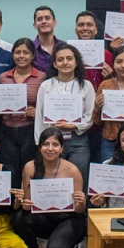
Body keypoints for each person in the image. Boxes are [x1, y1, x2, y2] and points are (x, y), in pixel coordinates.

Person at [15, 128, 88, 248]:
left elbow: (79, 211)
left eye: (55, 144)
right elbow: (27, 204)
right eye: (45, 144)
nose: (50, 149)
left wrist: (81, 202)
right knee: (18, 217)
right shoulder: (30, 167)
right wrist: (24, 203)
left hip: (67, 218)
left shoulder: (72, 170)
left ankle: (74, 243)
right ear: (39, 147)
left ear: (62, 149)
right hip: (43, 217)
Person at [34, 44, 96, 185]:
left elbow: (90, 115)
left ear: (76, 62)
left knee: (79, 179)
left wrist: (73, 125)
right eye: (60, 59)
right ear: (55, 64)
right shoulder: (46, 86)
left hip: (77, 141)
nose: (65, 62)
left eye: (69, 58)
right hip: (51, 141)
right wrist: (39, 143)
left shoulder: (86, 86)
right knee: (53, 180)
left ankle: (79, 207)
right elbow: (39, 116)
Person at [0, 38, 46, 188]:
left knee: (30, 169)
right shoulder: (3, 77)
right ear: (13, 55)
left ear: (33, 56)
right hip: (7, 131)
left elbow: (48, 105)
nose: (21, 56)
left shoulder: (42, 77)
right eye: (18, 52)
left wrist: (37, 112)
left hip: (29, 130)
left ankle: (28, 205)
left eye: (26, 52)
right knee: (10, 171)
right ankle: (12, 207)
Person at [75, 10, 113, 91]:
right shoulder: (68, 54)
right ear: (76, 30)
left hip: (100, 98)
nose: (85, 28)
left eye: (89, 25)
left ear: (96, 30)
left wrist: (110, 77)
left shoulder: (107, 55)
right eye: (81, 25)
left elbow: (115, 84)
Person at [31, 5, 63, 73]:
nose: (44, 22)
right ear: (35, 25)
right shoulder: (29, 48)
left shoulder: (64, 47)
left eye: (47, 18)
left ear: (54, 22)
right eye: (40, 19)